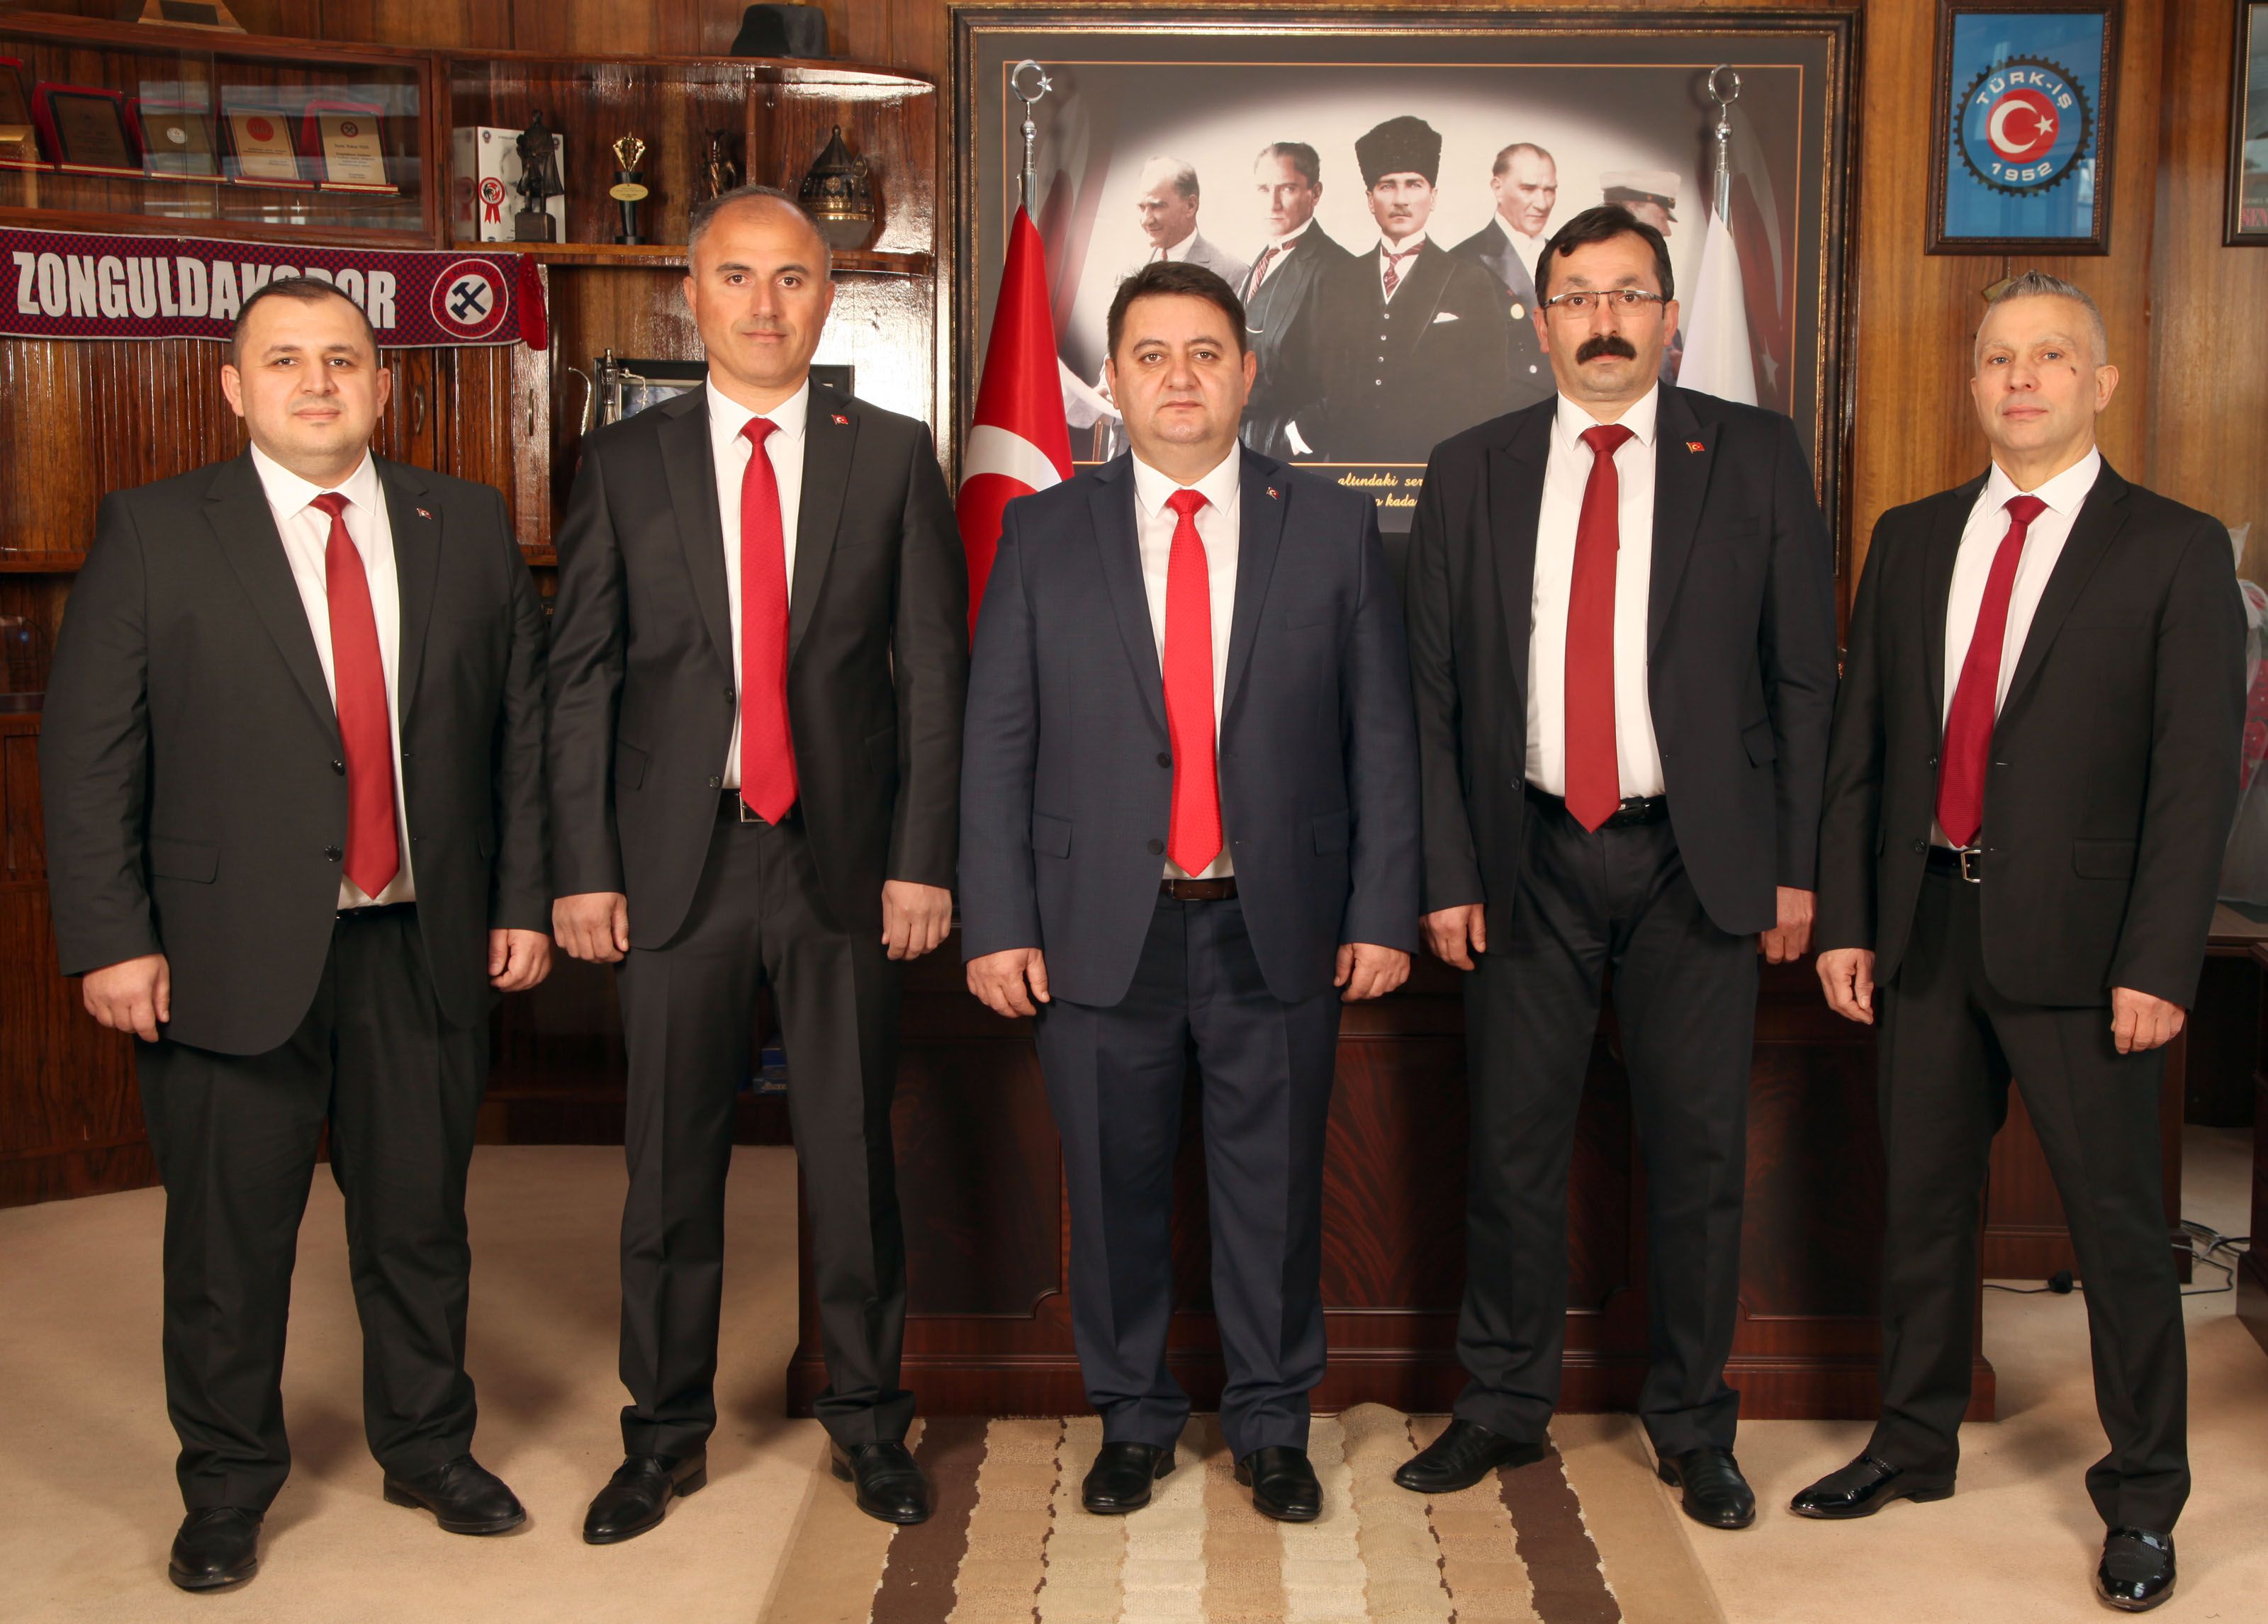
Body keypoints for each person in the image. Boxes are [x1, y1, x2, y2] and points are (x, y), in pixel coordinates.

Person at [40, 276, 551, 1591]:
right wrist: (110, 937)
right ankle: (225, 1486)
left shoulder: (465, 522)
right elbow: (90, 758)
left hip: (422, 944)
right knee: (229, 1247)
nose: (316, 383)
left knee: (419, 1227)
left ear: (383, 382)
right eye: (284, 360)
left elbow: (522, 737)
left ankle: (428, 1447)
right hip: (222, 955)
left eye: (341, 359)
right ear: (234, 387)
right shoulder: (155, 531)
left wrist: (520, 898)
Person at [1795, 271, 2244, 1615]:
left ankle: (2144, 1497)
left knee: (2118, 1233)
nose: (2022, 378)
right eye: (1999, 358)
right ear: (1975, 382)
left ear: (2101, 383)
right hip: (1926, 922)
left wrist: (2159, 960)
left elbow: (2196, 779)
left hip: (2091, 948)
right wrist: (1850, 920)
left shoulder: (2173, 548)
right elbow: (1863, 751)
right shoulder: (1912, 538)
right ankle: (1913, 1441)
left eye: (2051, 356)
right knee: (1924, 1208)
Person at [1396, 205, 1838, 1530]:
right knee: (1510, 1150)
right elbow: (1431, 695)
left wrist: (1795, 866)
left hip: (1699, 860)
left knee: (1698, 1156)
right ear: (1540, 322)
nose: (1604, 320)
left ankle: (1695, 1425)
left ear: (1668, 317)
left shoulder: (1752, 455)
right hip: (1524, 852)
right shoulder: (1469, 468)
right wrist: (1446, 869)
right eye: (1577, 296)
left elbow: (1802, 678)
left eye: (1629, 294)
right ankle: (1500, 1404)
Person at [960, 259, 1420, 1523]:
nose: (1180, 378)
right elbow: (995, 741)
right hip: (1094, 932)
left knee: (1275, 1196)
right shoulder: (1043, 530)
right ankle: (1134, 1417)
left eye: (1206, 353)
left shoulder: (1327, 526)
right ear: (1111, 380)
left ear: (1248, 373)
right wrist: (997, 922)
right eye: (1152, 355)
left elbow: (1381, 736)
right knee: (1111, 1199)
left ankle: (1272, 1424)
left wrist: (1383, 908)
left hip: (1276, 928)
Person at [546, 185, 967, 1540]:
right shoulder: (625, 462)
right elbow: (581, 680)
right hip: (677, 864)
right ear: (693, 293)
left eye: (793, 277)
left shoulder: (890, 456)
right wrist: (583, 866)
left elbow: (932, 677)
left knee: (850, 1156)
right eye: (737, 276)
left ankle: (869, 1422)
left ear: (829, 296)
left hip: (843, 862)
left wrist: (923, 859)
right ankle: (662, 1438)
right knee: (669, 1168)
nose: (765, 303)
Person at [1292, 115, 1512, 466]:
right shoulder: (1337, 281)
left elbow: (1490, 393)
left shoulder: (1470, 281)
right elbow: (1320, 380)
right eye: (1387, 186)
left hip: (1436, 466)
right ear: (1370, 200)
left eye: (1414, 185)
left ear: (1433, 197)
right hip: (1351, 467)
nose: (1401, 199)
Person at [1094, 157, 1250, 461]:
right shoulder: (1128, 270)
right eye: (1142, 208)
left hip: (1198, 451)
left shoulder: (1232, 273)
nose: (1147, 219)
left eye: (1157, 206)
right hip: (1127, 447)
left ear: (1191, 205)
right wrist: (1104, 388)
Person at [1237, 141, 1352, 460]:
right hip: (1241, 442)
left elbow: (1349, 381)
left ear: (1315, 193)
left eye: (1287, 188)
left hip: (1287, 452)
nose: (1273, 204)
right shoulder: (1264, 258)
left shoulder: (1337, 268)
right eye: (1264, 189)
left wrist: (1297, 437)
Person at [1451, 141, 1559, 410]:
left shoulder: (1569, 256)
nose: (1542, 203)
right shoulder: (1460, 262)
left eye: (1550, 190)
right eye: (1528, 189)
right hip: (1501, 413)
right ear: (1497, 188)